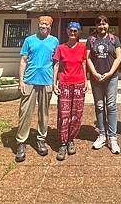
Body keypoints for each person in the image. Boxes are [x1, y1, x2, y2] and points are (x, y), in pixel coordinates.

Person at [15, 15, 59, 163]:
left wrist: (54, 82)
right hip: (29, 80)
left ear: (50, 27)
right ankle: (21, 142)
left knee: (44, 112)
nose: (44, 26)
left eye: (46, 24)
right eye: (41, 24)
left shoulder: (54, 41)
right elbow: (23, 61)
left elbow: (56, 64)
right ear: (38, 25)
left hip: (46, 80)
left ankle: (41, 139)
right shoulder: (29, 40)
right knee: (25, 112)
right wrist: (21, 80)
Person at [86, 15, 121, 154]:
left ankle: (112, 137)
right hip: (97, 78)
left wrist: (110, 72)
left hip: (111, 77)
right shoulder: (91, 40)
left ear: (108, 25)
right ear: (96, 26)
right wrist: (94, 73)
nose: (102, 26)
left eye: (104, 24)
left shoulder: (114, 39)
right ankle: (102, 134)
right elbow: (88, 58)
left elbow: (118, 57)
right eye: (99, 24)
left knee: (111, 106)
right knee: (99, 106)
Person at [53, 21, 88, 161]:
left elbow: (84, 64)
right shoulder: (61, 48)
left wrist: (86, 81)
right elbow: (56, 66)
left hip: (79, 83)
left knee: (76, 114)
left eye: (75, 31)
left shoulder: (82, 48)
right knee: (64, 113)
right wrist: (54, 83)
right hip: (65, 83)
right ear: (67, 31)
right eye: (70, 30)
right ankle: (62, 142)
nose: (72, 33)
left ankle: (71, 139)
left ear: (79, 32)